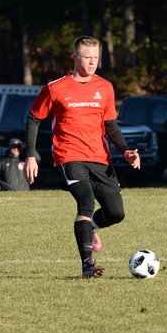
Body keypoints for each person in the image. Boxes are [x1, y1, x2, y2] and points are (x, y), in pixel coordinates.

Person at [24, 35, 140, 278]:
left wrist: (126, 151)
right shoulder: (56, 87)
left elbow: (110, 125)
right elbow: (34, 118)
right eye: (87, 57)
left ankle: (91, 227)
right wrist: (31, 155)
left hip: (99, 157)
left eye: (96, 57)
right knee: (86, 202)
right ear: (74, 57)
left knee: (116, 213)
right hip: (69, 156)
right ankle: (88, 265)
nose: (92, 62)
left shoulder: (105, 87)